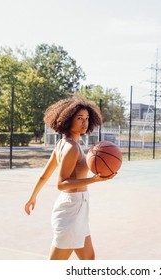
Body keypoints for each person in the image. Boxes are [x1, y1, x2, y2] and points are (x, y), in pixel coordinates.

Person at [24, 95, 115, 260]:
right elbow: (61, 184)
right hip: (72, 208)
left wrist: (32, 197)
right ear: (67, 120)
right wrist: (93, 180)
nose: (84, 122)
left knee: (88, 258)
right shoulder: (71, 147)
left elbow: (44, 176)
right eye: (79, 118)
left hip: (78, 206)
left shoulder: (62, 143)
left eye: (87, 118)